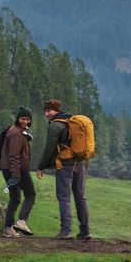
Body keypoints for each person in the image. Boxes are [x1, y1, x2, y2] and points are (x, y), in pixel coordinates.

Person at [35, 98, 92, 242]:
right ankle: (85, 231)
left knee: (64, 197)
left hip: (65, 164)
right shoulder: (71, 121)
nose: (47, 113)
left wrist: (41, 166)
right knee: (80, 197)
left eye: (49, 110)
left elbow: (49, 149)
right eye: (45, 111)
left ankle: (66, 231)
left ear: (56, 111)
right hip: (79, 163)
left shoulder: (55, 126)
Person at [0, 108, 36, 236]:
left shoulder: (19, 131)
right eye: (22, 119)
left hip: (10, 168)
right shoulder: (16, 133)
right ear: (18, 119)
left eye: (27, 119)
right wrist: (15, 175)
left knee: (15, 197)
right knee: (30, 194)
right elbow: (14, 156)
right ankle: (21, 221)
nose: (25, 121)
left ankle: (8, 228)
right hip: (16, 169)